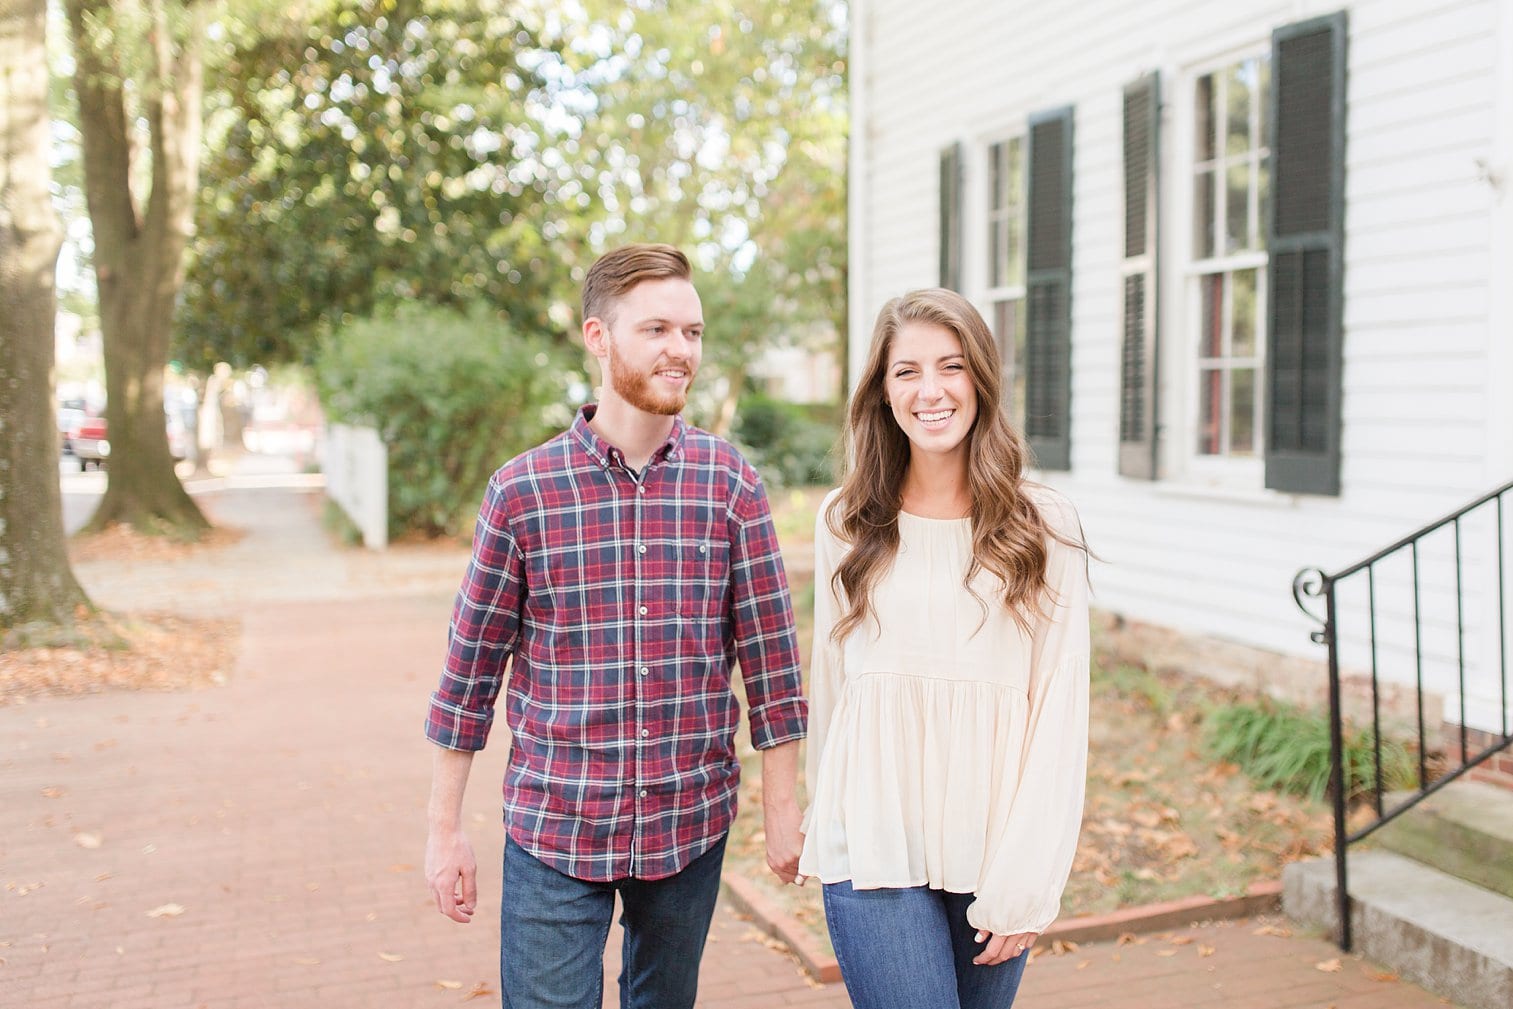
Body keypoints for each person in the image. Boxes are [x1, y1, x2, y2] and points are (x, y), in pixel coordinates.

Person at [423, 243, 808, 1009]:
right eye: (658, 329)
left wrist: (783, 808)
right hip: (555, 823)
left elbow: (772, 665)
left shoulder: (731, 485)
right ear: (598, 337)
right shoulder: (521, 492)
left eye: (692, 332)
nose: (681, 350)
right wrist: (444, 828)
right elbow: (468, 675)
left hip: (688, 822)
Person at [797, 288, 1089, 1009]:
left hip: (993, 848)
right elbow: (832, 680)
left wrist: (1025, 877)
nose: (930, 390)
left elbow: (1059, 707)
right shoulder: (845, 519)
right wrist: (818, 811)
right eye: (907, 371)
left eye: (950, 366)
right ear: (882, 390)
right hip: (872, 840)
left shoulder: (1042, 524)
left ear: (979, 380)